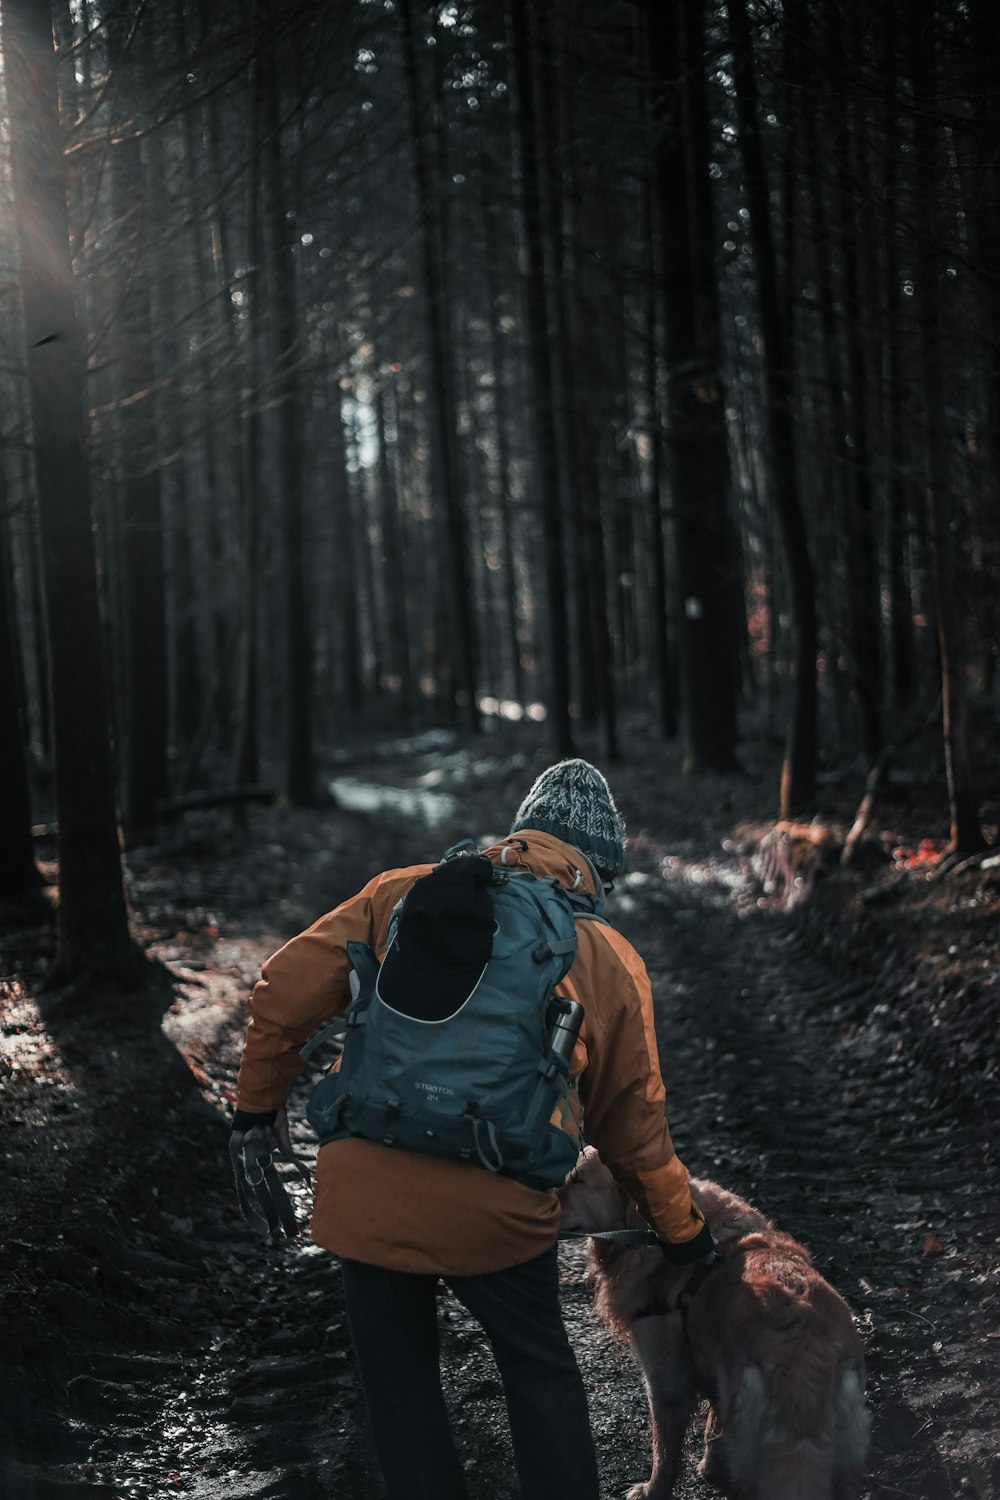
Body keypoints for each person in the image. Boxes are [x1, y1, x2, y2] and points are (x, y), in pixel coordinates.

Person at [230, 759, 715, 1500]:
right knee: (538, 1370)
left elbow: (280, 992)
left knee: (400, 1390)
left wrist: (256, 1110)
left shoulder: (400, 894)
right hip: (497, 1205)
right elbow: (632, 1129)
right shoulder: (605, 958)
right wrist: (682, 1231)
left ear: (519, 834)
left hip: (365, 1194)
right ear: (596, 871)